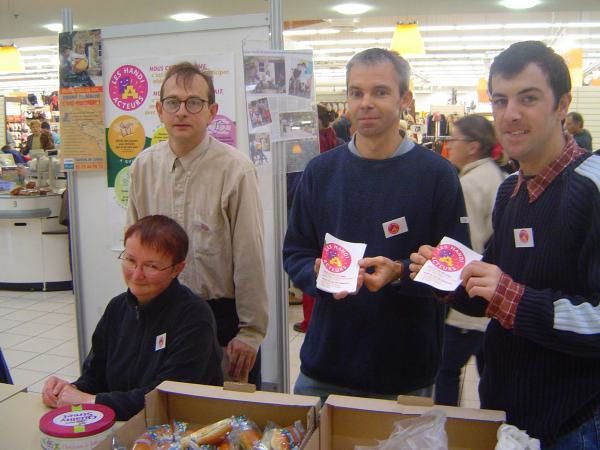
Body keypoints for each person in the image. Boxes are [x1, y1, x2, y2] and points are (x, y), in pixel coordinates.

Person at [410, 41, 600, 448]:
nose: (510, 114)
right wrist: (447, 279)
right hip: (509, 420)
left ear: (562, 104)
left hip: (574, 426)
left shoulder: (593, 187)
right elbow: (491, 296)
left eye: (528, 99)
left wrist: (513, 297)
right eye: (500, 100)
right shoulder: (511, 189)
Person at [283, 48, 469, 401]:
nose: (366, 102)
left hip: (405, 372)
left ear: (405, 99)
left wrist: (400, 272)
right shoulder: (320, 173)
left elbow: (454, 268)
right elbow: (294, 252)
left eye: (380, 92)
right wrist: (318, 273)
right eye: (357, 93)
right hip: (324, 368)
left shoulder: (437, 175)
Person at [128, 62, 268, 386]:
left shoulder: (236, 170)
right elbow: (134, 252)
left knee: (226, 418)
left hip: (221, 317)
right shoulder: (143, 168)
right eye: (173, 103)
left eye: (194, 103)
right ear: (160, 110)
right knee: (166, 411)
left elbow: (250, 256)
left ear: (212, 111)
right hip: (160, 311)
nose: (182, 112)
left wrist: (250, 332)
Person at [41, 215, 223, 420]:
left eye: (151, 266)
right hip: (118, 426)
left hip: (176, 431)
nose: (137, 275)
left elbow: (166, 397)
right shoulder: (117, 308)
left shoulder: (194, 317)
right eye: (130, 260)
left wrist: (91, 402)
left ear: (177, 269)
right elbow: (94, 375)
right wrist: (67, 390)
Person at [434, 114, 506, 406]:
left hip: (470, 303)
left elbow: (468, 245)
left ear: (473, 146)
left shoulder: (470, 184)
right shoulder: (495, 175)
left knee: (446, 370)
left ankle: (446, 425)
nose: (449, 145)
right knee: (490, 374)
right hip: (493, 301)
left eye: (454, 139)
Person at [293, 104, 341, 334]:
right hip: (332, 208)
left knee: (315, 266)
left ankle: (309, 321)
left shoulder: (311, 144)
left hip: (314, 207)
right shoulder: (333, 138)